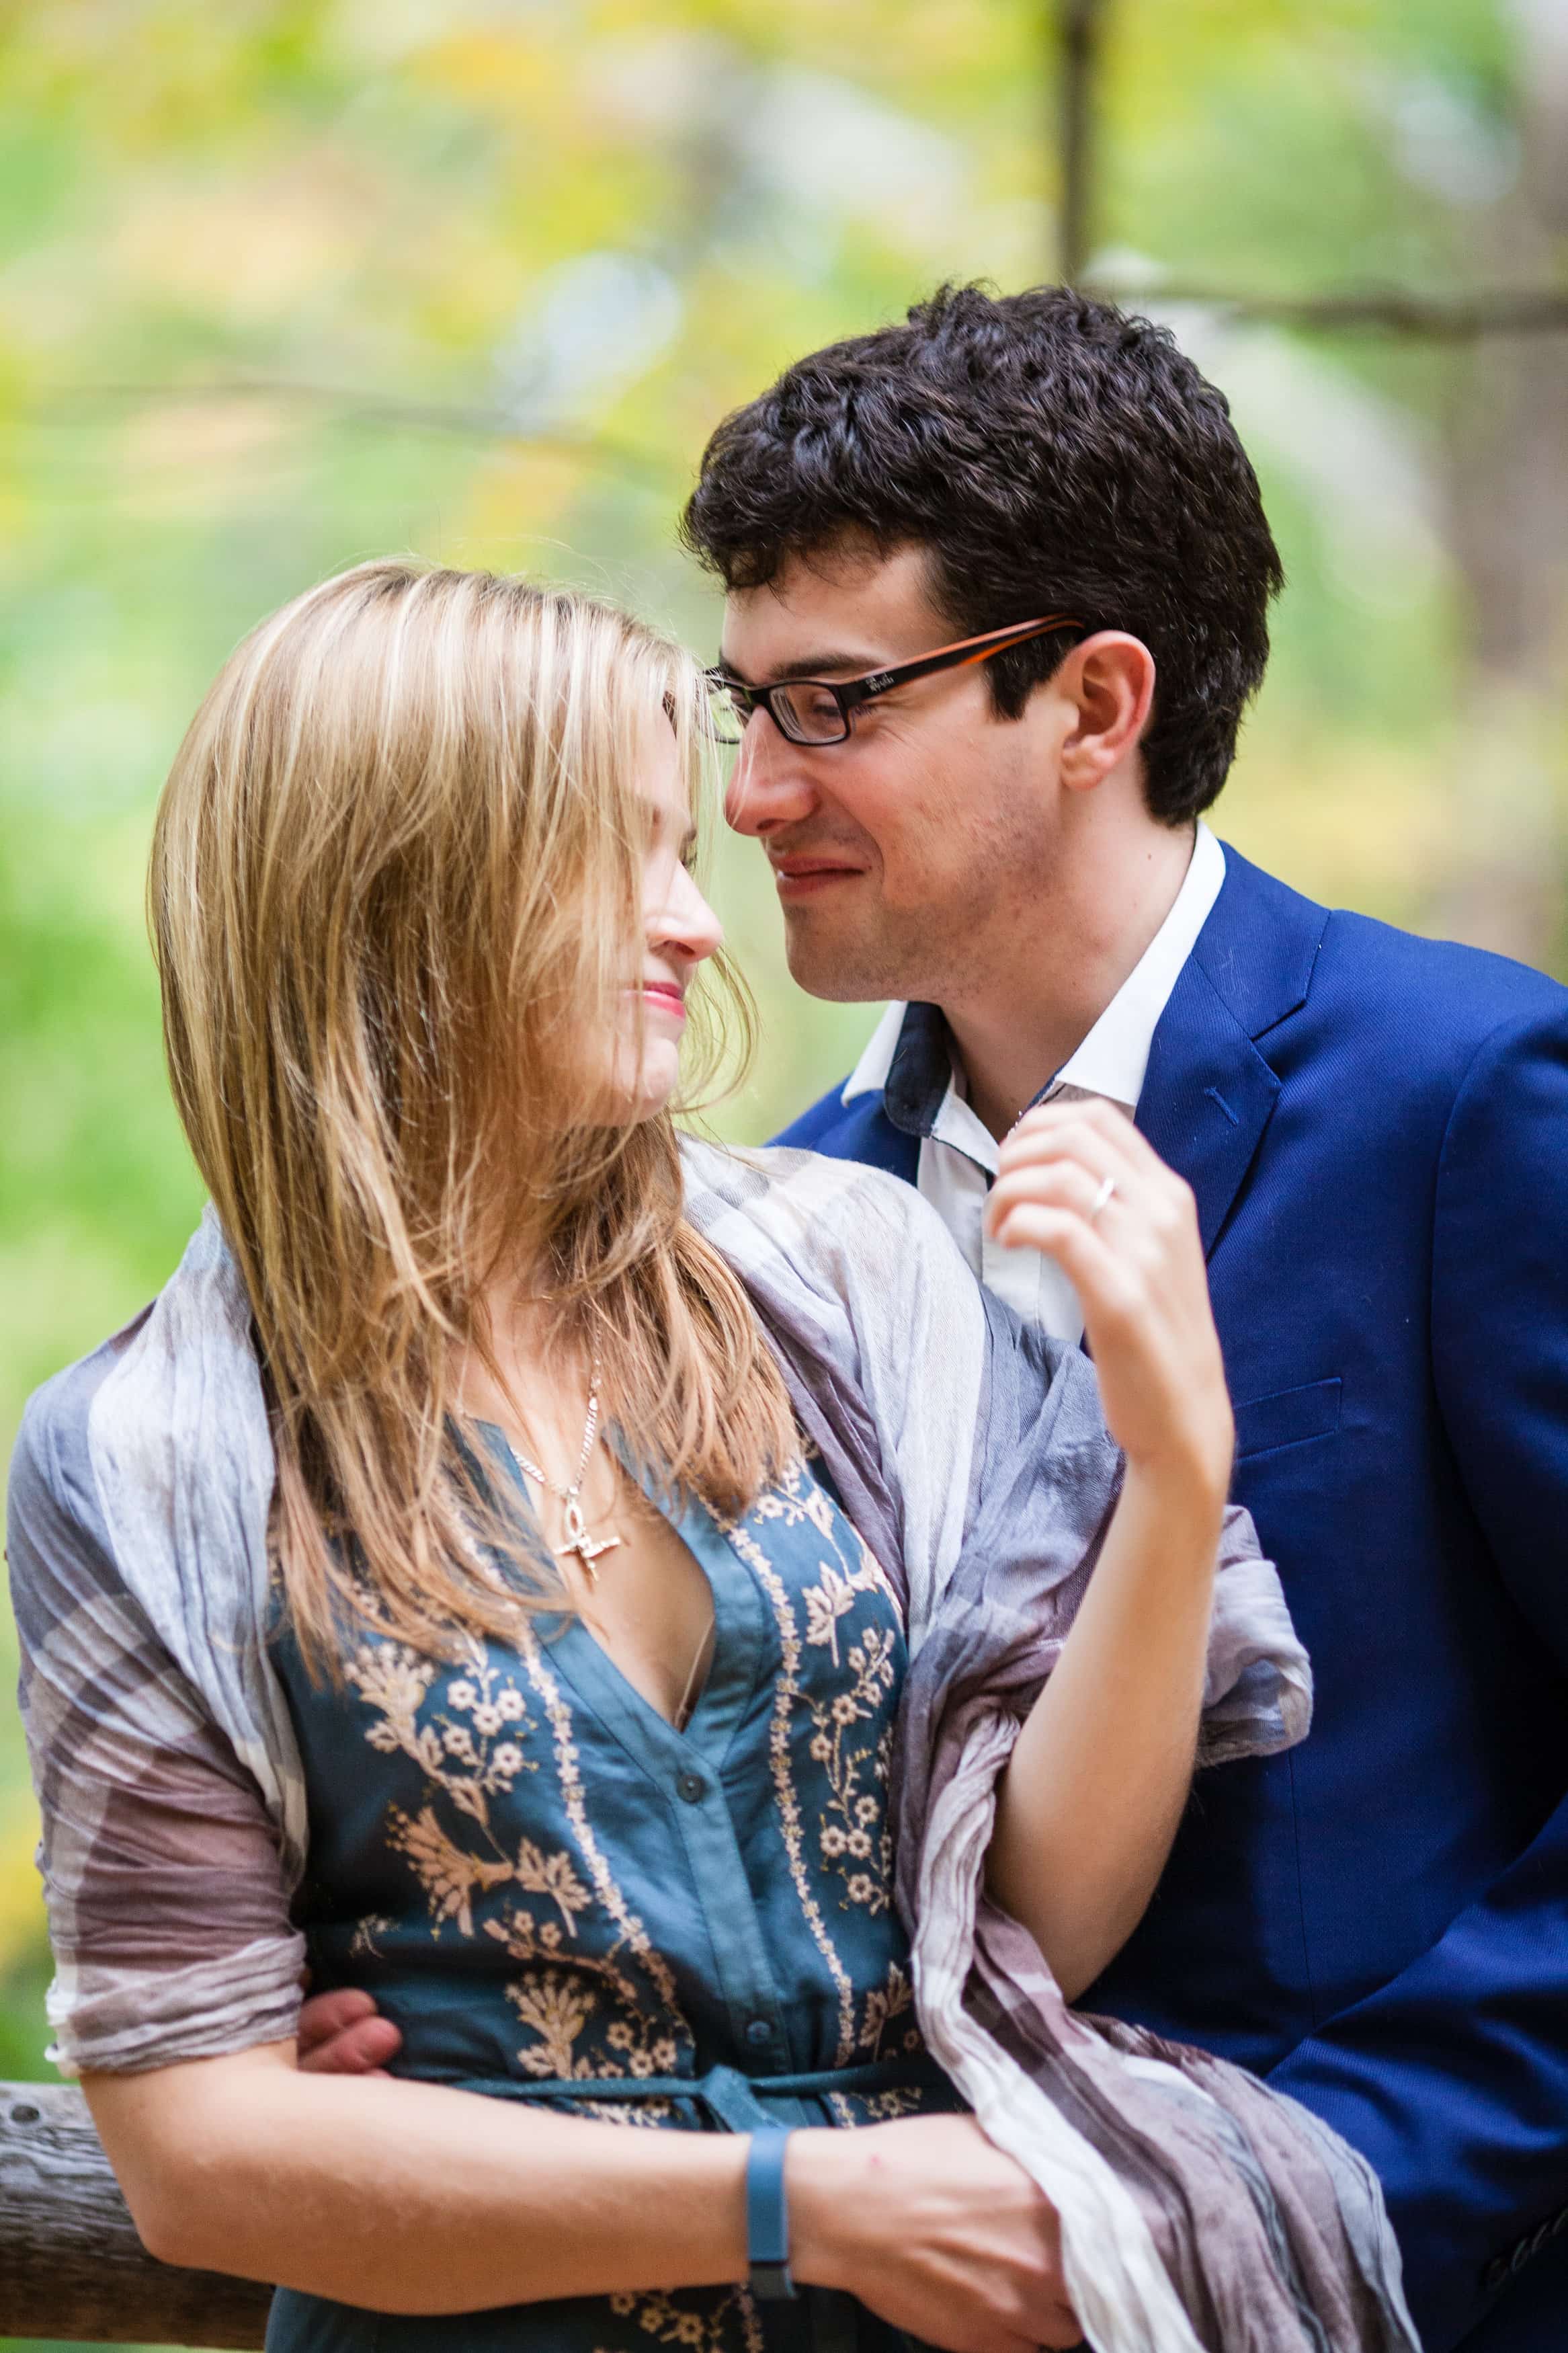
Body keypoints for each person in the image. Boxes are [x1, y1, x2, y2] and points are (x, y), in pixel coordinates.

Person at [9, 559, 1319, 2353]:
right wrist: (801, 2205)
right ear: (408, 883)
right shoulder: (143, 1453)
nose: (697, 922)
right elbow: (200, 2155)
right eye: (618, 855)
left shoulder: (846, 1278)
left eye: (683, 853)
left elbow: (1032, 1917)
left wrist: (1172, 1472)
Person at [667, 282, 1568, 2353]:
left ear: (1092, 702)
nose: (753, 793)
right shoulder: (787, 1221)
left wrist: (1296, 2192)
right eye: (746, 706)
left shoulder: (1467, 1095)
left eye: (834, 702)